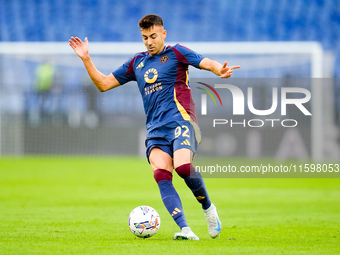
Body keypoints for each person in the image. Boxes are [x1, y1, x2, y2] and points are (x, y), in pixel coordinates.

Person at [69, 14, 240, 240]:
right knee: (161, 174)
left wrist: (220, 70)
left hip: (182, 121)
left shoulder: (177, 53)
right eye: (144, 37)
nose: (149, 42)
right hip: (155, 130)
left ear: (163, 34)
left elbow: (206, 62)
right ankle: (185, 229)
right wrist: (86, 59)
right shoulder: (136, 63)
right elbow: (103, 84)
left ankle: (209, 209)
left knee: (183, 168)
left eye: (153, 36)